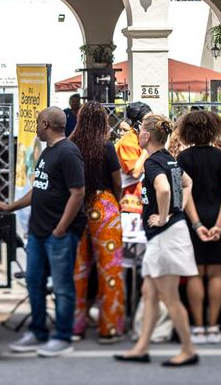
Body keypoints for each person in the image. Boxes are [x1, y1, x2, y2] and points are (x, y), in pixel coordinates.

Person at [0, 107, 86, 357]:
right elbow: (39, 188)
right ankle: (38, 332)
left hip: (57, 235)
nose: (35, 127)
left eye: (37, 123)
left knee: (62, 287)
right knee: (34, 282)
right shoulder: (47, 152)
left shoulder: (68, 152)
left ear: (46, 123)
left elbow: (78, 193)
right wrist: (12, 206)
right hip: (38, 233)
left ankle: (63, 338)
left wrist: (60, 229)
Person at [116, 115, 199, 367]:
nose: (138, 133)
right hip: (164, 236)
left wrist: (164, 216)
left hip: (166, 236)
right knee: (149, 293)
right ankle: (142, 347)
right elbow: (188, 183)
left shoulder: (153, 163)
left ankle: (187, 350)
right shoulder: (169, 160)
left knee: (169, 296)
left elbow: (163, 189)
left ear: (147, 136)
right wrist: (177, 208)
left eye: (140, 130)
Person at [176, 111, 221, 345]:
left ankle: (198, 327)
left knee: (195, 274)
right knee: (216, 274)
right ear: (214, 130)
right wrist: (219, 225)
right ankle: (213, 327)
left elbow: (185, 194)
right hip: (218, 218)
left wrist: (197, 224)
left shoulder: (183, 159)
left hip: (193, 221)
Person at [68, 102, 125, 343]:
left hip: (78, 206)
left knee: (79, 270)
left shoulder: (71, 146)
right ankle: (109, 328)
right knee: (110, 269)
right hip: (105, 206)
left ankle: (75, 327)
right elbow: (118, 182)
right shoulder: (107, 146)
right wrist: (115, 202)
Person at [115, 102, 152, 214]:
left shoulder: (142, 140)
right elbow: (135, 173)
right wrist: (148, 148)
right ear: (137, 125)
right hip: (131, 205)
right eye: (148, 121)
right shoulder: (127, 143)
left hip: (146, 201)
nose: (153, 124)